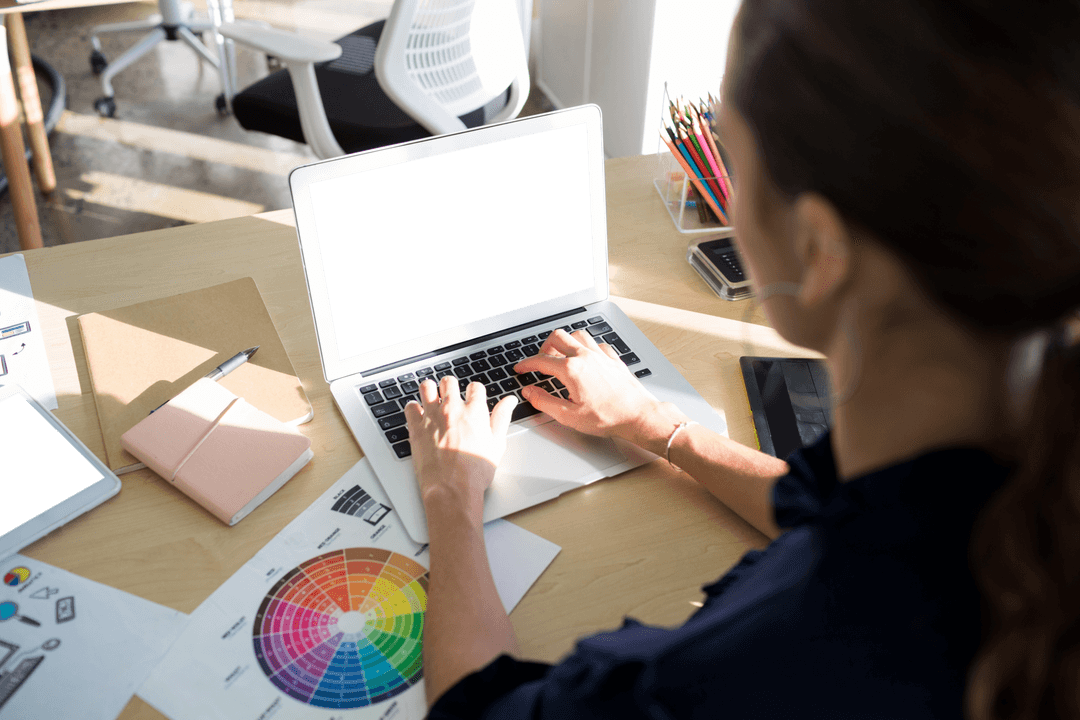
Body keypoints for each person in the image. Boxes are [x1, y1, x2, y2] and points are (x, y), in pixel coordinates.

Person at [402, 1, 1080, 717]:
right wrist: (656, 425)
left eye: (730, 153)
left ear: (820, 249)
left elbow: (475, 710)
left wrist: (453, 495)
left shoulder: (731, 678)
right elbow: (840, 513)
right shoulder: (1027, 463)